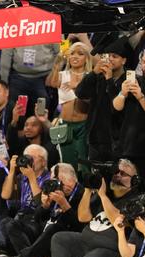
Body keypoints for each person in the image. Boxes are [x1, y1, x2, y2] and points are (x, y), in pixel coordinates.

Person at [46, 159, 141, 257]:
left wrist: (102, 196)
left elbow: (117, 220)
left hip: (110, 252)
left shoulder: (135, 200)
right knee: (60, 238)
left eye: (123, 174)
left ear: (134, 180)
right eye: (116, 172)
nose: (117, 176)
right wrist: (87, 190)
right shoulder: (105, 193)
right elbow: (82, 217)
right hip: (86, 243)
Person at [0, 162, 85, 257]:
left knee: (55, 228)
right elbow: (36, 218)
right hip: (42, 235)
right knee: (10, 223)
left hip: (58, 237)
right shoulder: (56, 191)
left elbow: (79, 226)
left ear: (68, 179)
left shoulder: (82, 194)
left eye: (56, 180)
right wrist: (44, 206)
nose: (54, 184)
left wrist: (65, 205)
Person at [112, 49, 145, 192]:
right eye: (144, 61)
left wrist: (140, 96)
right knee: (124, 190)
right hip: (126, 146)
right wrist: (122, 93)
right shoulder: (134, 81)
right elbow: (116, 108)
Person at [76, 37, 129, 161]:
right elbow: (80, 93)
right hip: (96, 139)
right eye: (107, 56)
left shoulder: (129, 80)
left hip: (118, 140)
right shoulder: (98, 77)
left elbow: (117, 108)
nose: (110, 59)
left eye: (114, 56)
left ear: (124, 60)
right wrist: (93, 73)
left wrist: (109, 80)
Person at [46, 42, 91, 172]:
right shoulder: (62, 75)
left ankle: (85, 190)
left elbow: (93, 101)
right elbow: (51, 83)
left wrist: (77, 87)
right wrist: (57, 64)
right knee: (66, 162)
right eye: (72, 53)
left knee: (84, 163)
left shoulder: (90, 77)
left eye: (80, 54)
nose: (75, 57)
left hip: (83, 125)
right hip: (65, 125)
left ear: (86, 58)